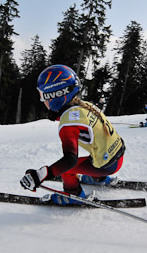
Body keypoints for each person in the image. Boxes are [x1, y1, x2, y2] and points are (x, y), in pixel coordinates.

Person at [20, 64, 125, 205]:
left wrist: (40, 175)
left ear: (54, 96)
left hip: (107, 165)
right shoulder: (85, 106)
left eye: (43, 96)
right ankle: (97, 177)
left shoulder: (68, 124)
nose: (42, 101)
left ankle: (73, 194)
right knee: (95, 151)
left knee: (66, 170)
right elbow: (78, 121)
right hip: (116, 156)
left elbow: (70, 160)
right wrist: (58, 113)